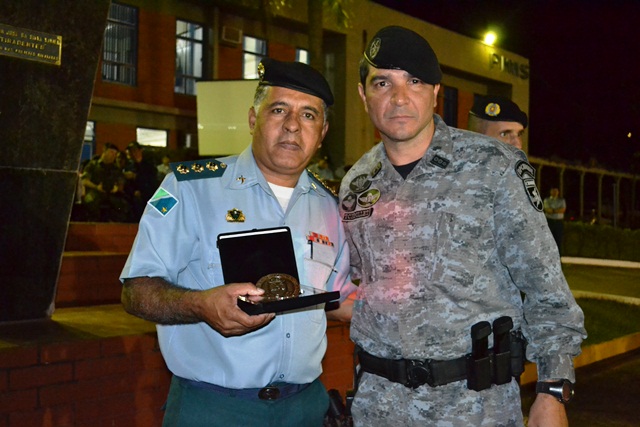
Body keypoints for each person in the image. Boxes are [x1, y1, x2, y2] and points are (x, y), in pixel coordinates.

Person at [339, 26, 585, 426]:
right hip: (379, 406)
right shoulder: (357, 184)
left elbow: (545, 284)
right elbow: (358, 285)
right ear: (364, 95)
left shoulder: (493, 166)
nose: (399, 98)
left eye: (414, 82)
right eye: (382, 83)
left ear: (435, 91)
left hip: (475, 407)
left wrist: (552, 389)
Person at [120, 58, 354, 427]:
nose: (293, 125)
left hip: (304, 409)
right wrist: (200, 305)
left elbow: (340, 298)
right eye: (279, 109)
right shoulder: (191, 188)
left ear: (322, 132)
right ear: (252, 118)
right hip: (215, 410)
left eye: (308, 115)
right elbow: (135, 291)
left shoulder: (330, 207)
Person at [81, 142, 130, 222]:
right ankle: (93, 222)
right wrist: (96, 187)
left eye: (115, 154)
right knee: (90, 201)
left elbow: (121, 183)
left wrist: (116, 188)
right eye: (111, 152)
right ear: (104, 151)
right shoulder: (92, 165)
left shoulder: (116, 168)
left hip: (111, 193)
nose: (113, 155)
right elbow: (84, 180)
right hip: (95, 191)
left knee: (122, 204)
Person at [123, 141, 160, 222]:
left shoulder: (149, 165)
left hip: (148, 192)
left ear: (140, 151)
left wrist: (135, 176)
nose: (134, 153)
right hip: (134, 194)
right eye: (131, 151)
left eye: (135, 151)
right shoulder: (129, 166)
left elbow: (151, 180)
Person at [544, 187, 566, 253]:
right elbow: (547, 210)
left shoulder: (561, 200)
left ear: (558, 192)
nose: (555, 192)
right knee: (548, 239)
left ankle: (558, 256)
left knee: (559, 240)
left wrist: (553, 210)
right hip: (549, 221)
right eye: (553, 191)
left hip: (559, 222)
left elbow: (563, 210)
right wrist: (557, 210)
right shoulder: (547, 200)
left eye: (556, 191)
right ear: (550, 192)